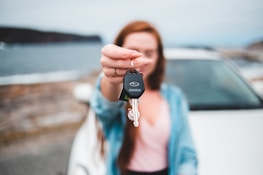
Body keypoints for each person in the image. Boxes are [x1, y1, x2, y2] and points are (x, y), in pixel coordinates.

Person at [90, 20, 198, 175]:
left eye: (149, 53)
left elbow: (187, 155)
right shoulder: (120, 92)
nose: (140, 60)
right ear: (120, 52)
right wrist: (111, 78)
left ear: (159, 56)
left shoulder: (175, 97)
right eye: (133, 52)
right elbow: (105, 107)